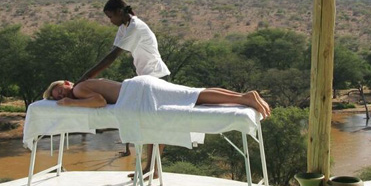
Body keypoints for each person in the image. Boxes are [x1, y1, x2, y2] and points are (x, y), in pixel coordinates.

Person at [78, 0, 170, 162]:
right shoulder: (124, 27)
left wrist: (86, 77)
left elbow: (112, 57)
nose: (110, 21)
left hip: (157, 76)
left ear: (120, 12)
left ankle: (152, 167)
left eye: (111, 16)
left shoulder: (135, 26)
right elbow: (112, 51)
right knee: (148, 124)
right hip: (146, 77)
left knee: (154, 124)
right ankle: (151, 167)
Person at [42, 77, 271, 119]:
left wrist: (70, 102)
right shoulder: (84, 85)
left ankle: (244, 98)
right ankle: (242, 97)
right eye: (58, 97)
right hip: (139, 88)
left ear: (67, 83)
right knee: (192, 93)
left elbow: (99, 103)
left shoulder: (79, 90)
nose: (61, 95)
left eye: (60, 90)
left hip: (139, 92)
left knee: (192, 96)